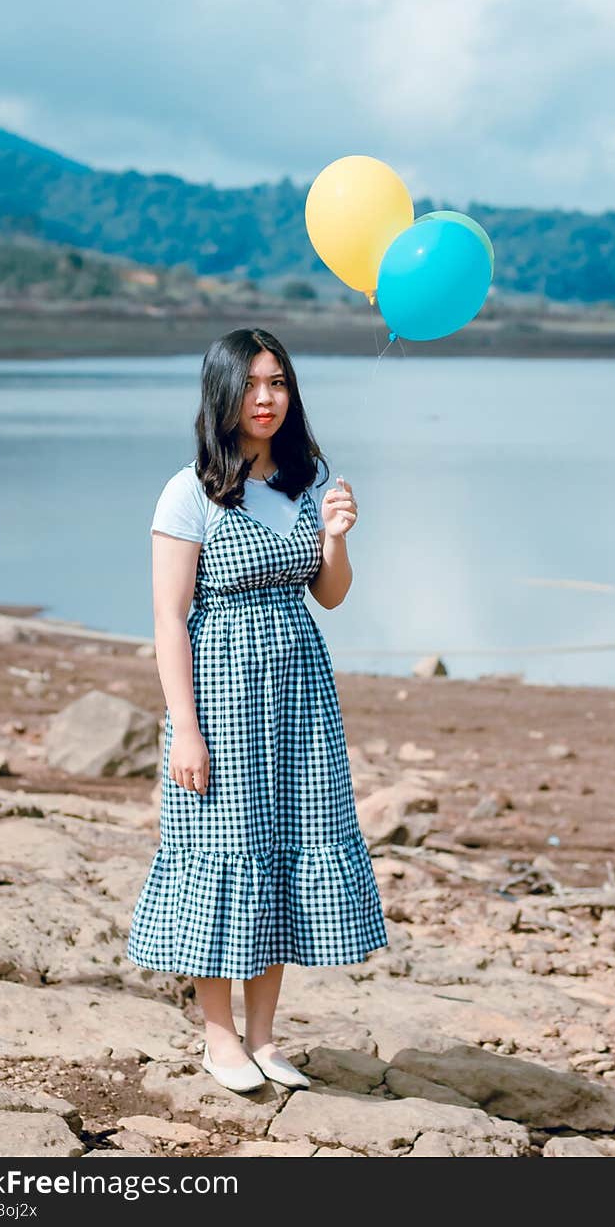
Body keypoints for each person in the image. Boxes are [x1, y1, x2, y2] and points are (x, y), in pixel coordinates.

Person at [126, 328, 389, 1093]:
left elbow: (330, 593)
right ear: (223, 393)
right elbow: (169, 617)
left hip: (299, 697)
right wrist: (185, 728)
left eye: (277, 382)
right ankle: (219, 1039)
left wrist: (336, 537)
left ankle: (267, 1040)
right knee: (222, 857)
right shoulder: (190, 490)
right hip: (221, 694)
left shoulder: (309, 480)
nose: (266, 398)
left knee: (282, 853)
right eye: (251, 385)